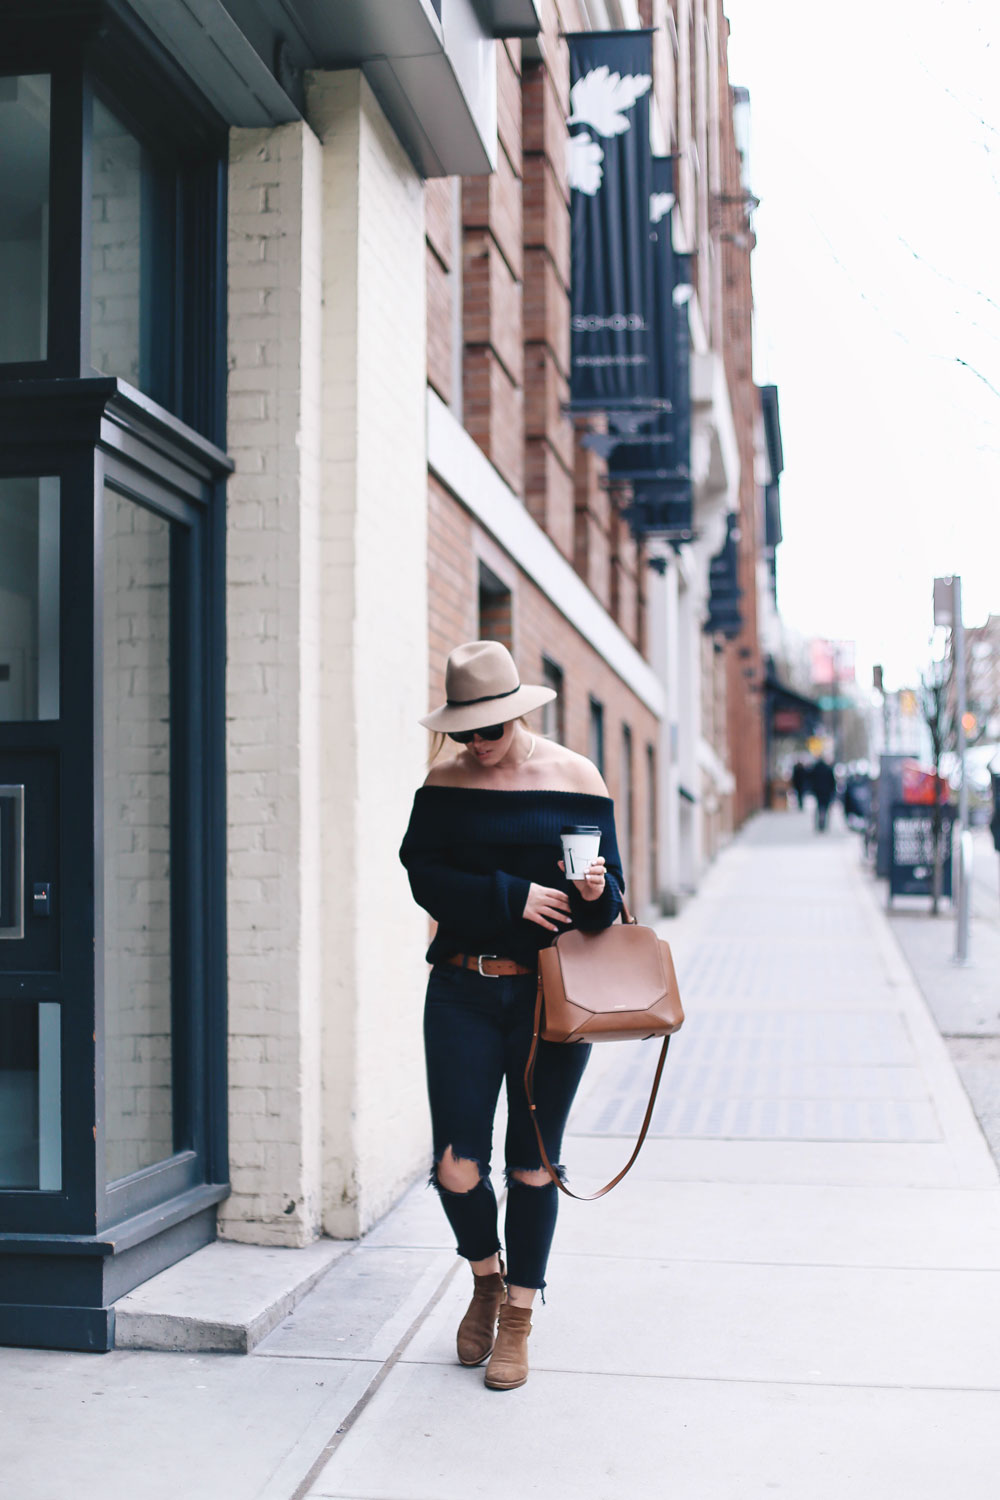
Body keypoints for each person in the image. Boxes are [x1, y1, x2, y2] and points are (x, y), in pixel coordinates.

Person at [399, 640, 624, 1391]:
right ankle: (485, 1277)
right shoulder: (445, 781)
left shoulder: (575, 777)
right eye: (463, 732)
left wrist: (593, 893)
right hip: (462, 989)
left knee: (533, 1165)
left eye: (487, 731)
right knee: (456, 1167)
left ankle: (519, 1316)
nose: (475, 746)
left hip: (549, 996)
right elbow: (423, 876)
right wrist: (510, 897)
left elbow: (613, 900)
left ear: (515, 716)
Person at [811, 757, 837, 831]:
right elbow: (832, 782)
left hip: (818, 791)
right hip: (827, 792)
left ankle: (820, 823)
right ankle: (824, 822)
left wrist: (813, 789)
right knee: (825, 808)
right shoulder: (828, 769)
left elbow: (812, 780)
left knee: (819, 807)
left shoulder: (815, 769)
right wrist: (832, 791)